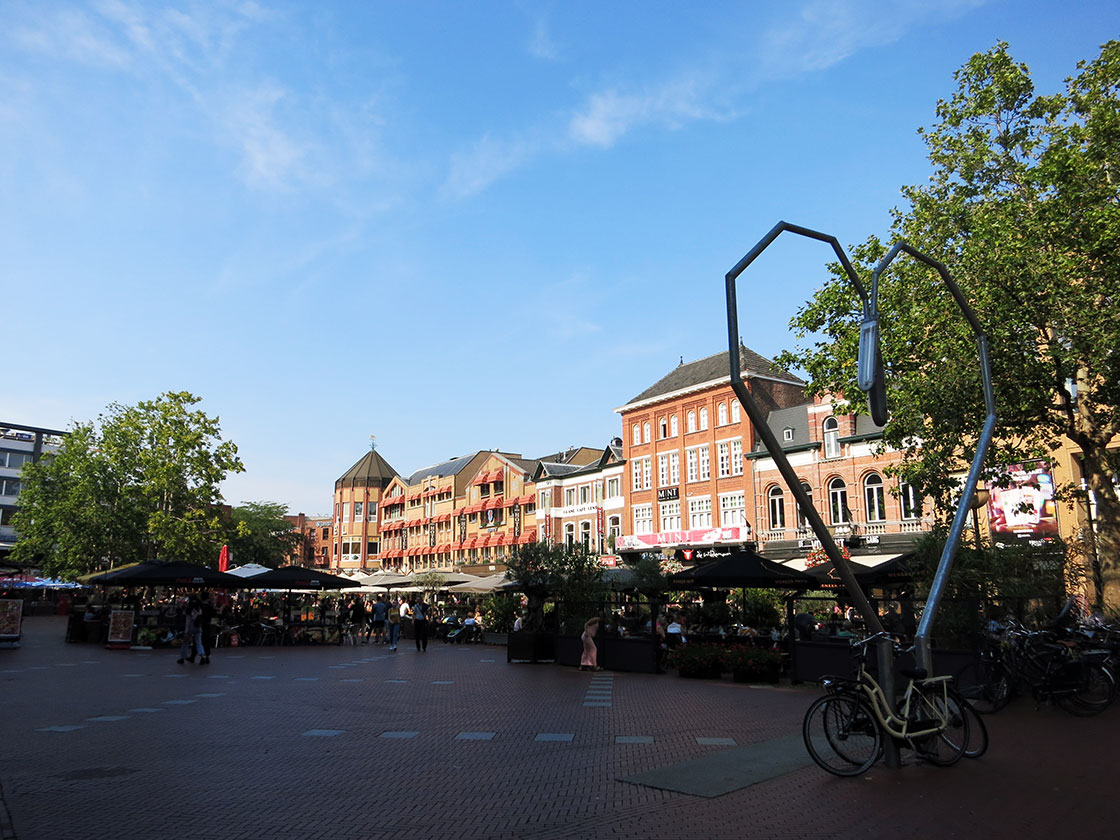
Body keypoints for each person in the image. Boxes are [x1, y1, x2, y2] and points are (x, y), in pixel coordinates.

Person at [177, 597, 202, 665]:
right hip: (198, 626)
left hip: (191, 626)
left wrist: (186, 631)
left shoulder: (189, 610)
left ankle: (182, 657)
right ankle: (202, 655)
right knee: (198, 641)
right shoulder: (199, 609)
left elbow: (187, 622)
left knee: (185, 643)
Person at [197, 591, 215, 665]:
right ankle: (207, 656)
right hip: (207, 624)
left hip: (200, 624)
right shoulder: (210, 606)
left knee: (200, 641)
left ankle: (202, 657)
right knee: (207, 641)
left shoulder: (200, 605)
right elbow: (213, 614)